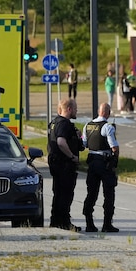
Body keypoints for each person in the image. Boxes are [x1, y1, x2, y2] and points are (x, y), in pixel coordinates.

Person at [82, 103, 120, 232]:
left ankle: (89, 223)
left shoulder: (87, 125)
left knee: (91, 193)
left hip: (92, 161)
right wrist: (115, 161)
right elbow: (114, 147)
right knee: (108, 194)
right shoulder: (108, 127)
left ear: (99, 111)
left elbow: (84, 143)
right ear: (108, 113)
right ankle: (107, 224)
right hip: (105, 162)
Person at [47, 98, 83, 232]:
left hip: (56, 163)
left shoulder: (54, 122)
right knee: (65, 194)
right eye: (75, 108)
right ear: (69, 109)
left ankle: (55, 221)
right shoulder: (64, 124)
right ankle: (64, 222)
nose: (76, 111)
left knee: (58, 193)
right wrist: (72, 156)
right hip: (64, 164)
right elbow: (61, 142)